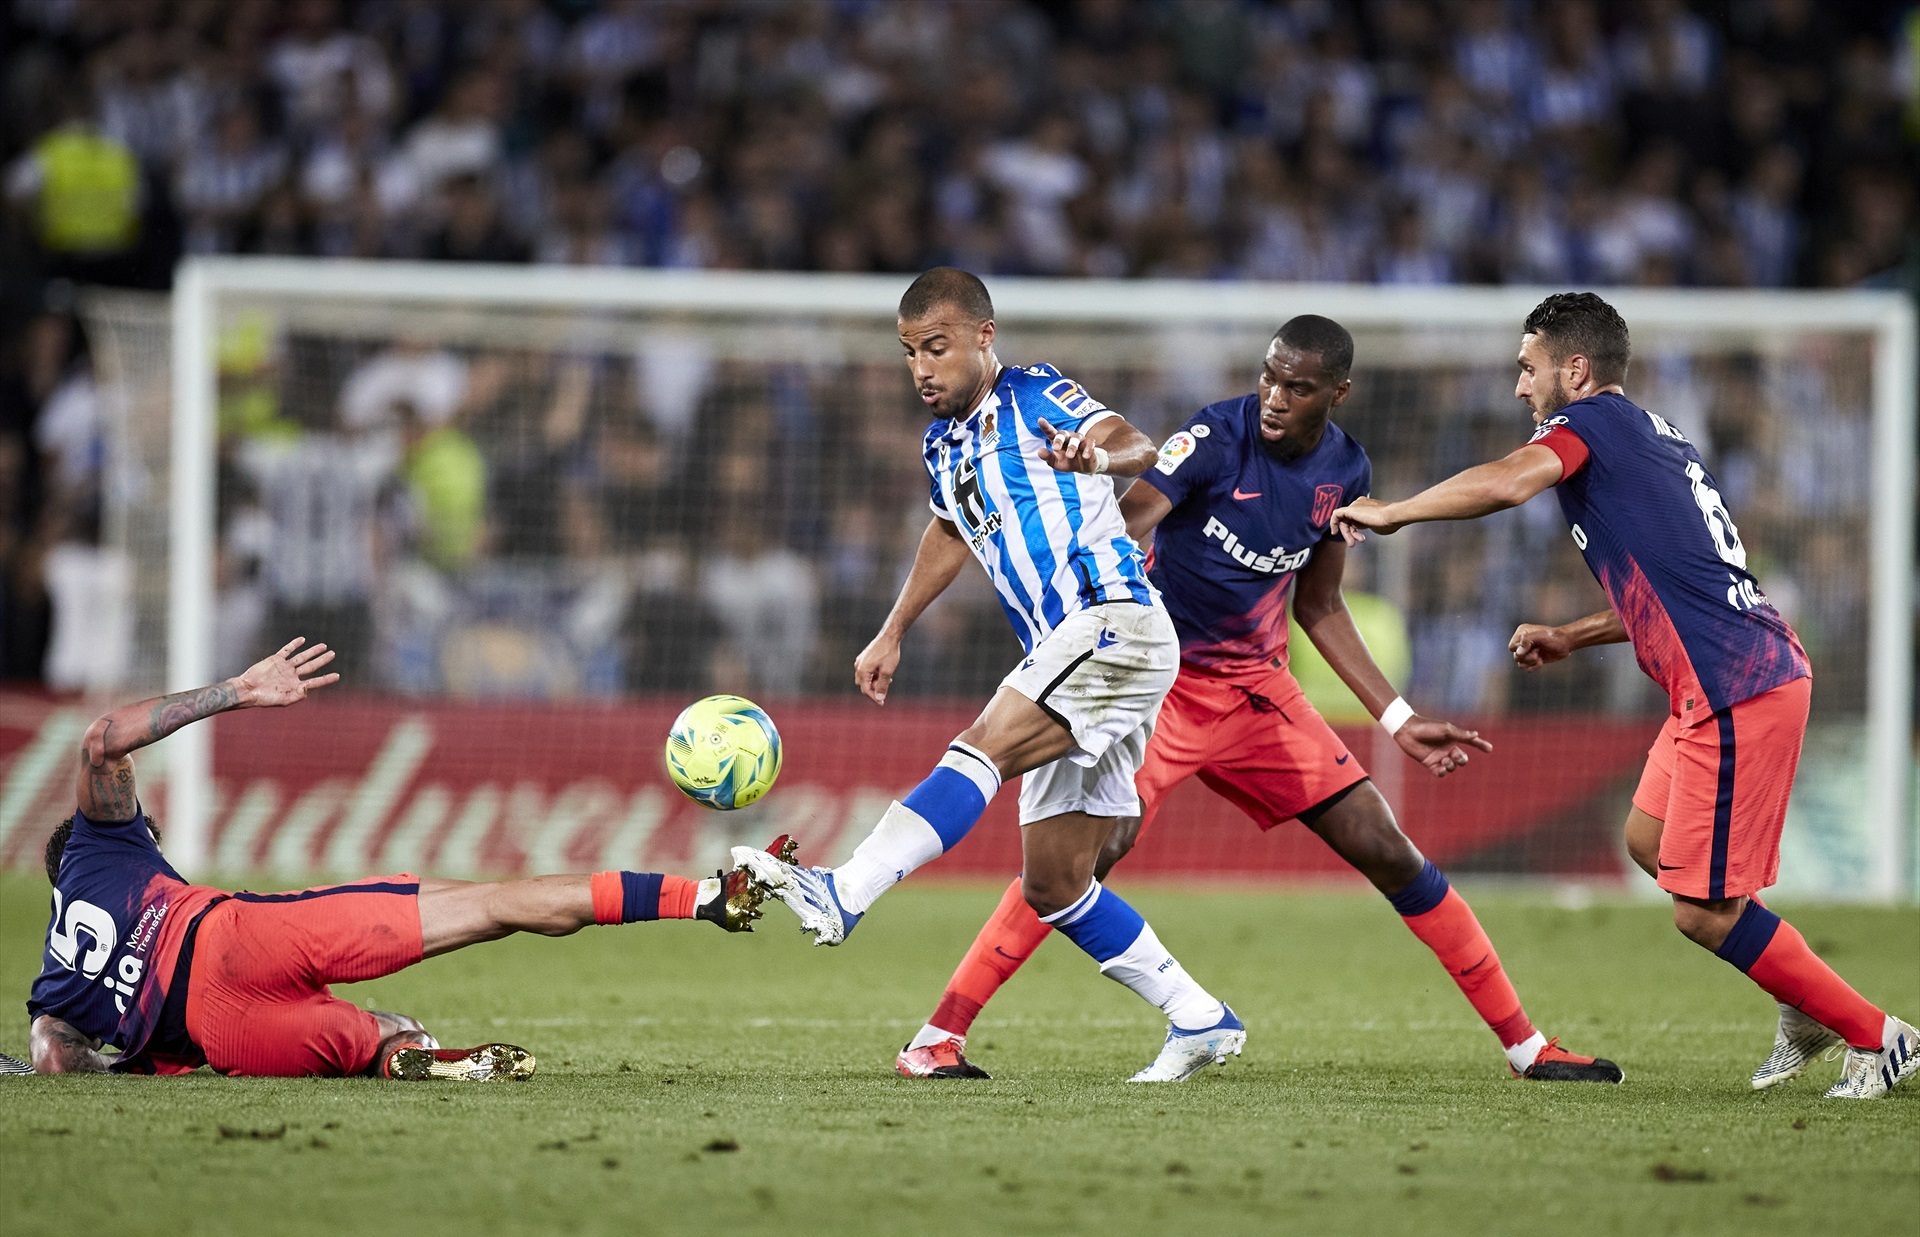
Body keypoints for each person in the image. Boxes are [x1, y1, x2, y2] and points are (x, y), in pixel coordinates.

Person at [897, 317, 1622, 1084]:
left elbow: (1322, 608)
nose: (1274, 397)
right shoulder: (1213, 437)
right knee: (1081, 859)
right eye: (1270, 377)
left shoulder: (1346, 470)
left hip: (1257, 694)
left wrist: (1398, 718)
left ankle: (1526, 1047)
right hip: (1162, 688)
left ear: (1336, 394)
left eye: (1298, 387)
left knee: (1388, 849)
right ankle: (940, 1036)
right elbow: (1131, 517)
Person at [1330, 291, 1916, 1100]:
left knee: (1702, 910)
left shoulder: (1592, 426)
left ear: (1577, 369)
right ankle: (1805, 1005)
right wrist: (1572, 634)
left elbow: (1508, 484)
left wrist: (1395, 511)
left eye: (1528, 369)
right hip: (1712, 682)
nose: (1518, 388)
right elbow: (1676, 585)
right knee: (1649, 839)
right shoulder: (1653, 436)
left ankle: (1878, 1035)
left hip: (1738, 686)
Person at [735, 268, 1243, 1083]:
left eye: (936, 348)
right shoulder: (943, 443)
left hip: (1113, 619)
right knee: (1056, 882)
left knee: (981, 746)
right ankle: (1199, 1017)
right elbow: (951, 531)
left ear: (984, 336)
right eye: (909, 354)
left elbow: (1137, 443)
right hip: (1072, 645)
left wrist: (1096, 456)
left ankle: (848, 889)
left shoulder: (1037, 395)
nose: (922, 369)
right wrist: (893, 629)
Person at [27, 639, 781, 1080]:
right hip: (232, 937)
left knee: (384, 1042)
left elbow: (56, 1056)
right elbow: (101, 737)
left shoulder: (53, 992)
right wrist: (239, 691)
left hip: (215, 1033)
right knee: (492, 907)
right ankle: (705, 898)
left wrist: (129, 1059)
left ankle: (416, 1055)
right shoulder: (105, 842)